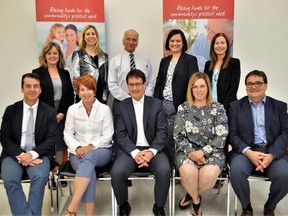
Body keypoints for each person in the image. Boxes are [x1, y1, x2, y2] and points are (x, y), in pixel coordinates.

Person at [111, 69, 171, 216]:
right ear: (127, 86)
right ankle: (123, 204)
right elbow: (120, 134)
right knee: (117, 172)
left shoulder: (157, 105)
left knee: (164, 170)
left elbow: (162, 132)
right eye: (131, 84)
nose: (134, 88)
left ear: (144, 85)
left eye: (138, 84)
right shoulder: (121, 106)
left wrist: (151, 152)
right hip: (130, 150)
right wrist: (136, 153)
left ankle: (159, 206)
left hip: (154, 150)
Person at [229, 70, 288, 216]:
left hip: (272, 152)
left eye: (258, 83)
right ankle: (246, 207)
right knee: (236, 171)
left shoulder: (279, 106)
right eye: (250, 84)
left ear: (266, 85)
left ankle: (270, 206)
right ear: (246, 86)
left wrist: (272, 155)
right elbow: (232, 134)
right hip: (246, 151)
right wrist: (248, 152)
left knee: (285, 174)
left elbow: (286, 133)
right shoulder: (235, 107)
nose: (253, 86)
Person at [0, 73, 58, 215]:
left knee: (39, 177)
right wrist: (21, 155)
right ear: (22, 89)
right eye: (28, 86)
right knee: (10, 179)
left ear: (40, 90)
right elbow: (5, 138)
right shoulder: (11, 110)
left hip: (39, 154)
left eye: (35, 86)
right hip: (13, 155)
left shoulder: (49, 112)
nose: (32, 90)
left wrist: (31, 154)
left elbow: (51, 139)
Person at [174, 72, 228, 216]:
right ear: (190, 89)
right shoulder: (183, 109)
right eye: (195, 87)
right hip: (187, 151)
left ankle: (190, 194)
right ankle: (196, 201)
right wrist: (193, 153)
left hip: (213, 151)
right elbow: (178, 136)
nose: (199, 90)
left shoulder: (218, 108)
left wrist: (203, 152)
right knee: (187, 172)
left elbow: (221, 135)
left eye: (202, 86)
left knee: (208, 176)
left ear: (208, 88)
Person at [63, 75, 114, 216]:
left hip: (101, 151)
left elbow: (108, 135)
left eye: (89, 89)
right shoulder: (72, 110)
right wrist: (78, 148)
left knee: (89, 157)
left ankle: (71, 209)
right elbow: (67, 134)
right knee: (89, 172)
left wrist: (90, 146)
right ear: (78, 92)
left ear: (95, 90)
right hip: (77, 153)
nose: (86, 93)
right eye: (82, 89)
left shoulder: (104, 109)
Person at [32, 41, 74, 189]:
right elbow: (35, 95)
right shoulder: (37, 72)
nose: (52, 56)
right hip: (44, 114)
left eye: (55, 53)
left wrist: (62, 112)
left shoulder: (65, 73)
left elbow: (70, 95)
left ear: (59, 55)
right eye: (49, 53)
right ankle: (51, 175)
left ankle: (62, 173)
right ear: (44, 55)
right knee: (49, 144)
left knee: (62, 144)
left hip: (63, 113)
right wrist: (51, 114)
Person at [154, 29, 198, 162]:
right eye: (172, 41)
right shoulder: (164, 61)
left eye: (178, 40)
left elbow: (193, 84)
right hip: (163, 104)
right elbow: (159, 83)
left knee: (173, 137)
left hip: (178, 105)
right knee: (163, 135)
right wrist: (156, 104)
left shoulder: (190, 60)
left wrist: (188, 106)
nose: (175, 43)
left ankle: (176, 166)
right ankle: (170, 165)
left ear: (183, 42)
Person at [108, 29, 156, 108]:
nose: (131, 42)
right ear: (123, 41)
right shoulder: (114, 61)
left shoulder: (145, 61)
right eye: (128, 39)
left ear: (137, 43)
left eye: (134, 40)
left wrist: (144, 97)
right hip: (121, 102)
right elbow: (112, 84)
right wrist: (128, 99)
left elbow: (151, 80)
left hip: (142, 103)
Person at [71, 24, 109, 104]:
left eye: (93, 34)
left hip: (101, 99)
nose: (91, 36)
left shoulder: (104, 56)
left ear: (97, 36)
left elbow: (106, 80)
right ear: (84, 37)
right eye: (88, 34)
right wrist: (81, 96)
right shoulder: (78, 54)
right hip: (84, 98)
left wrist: (105, 98)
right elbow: (75, 79)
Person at [204, 32, 240, 113]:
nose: (219, 46)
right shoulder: (208, 64)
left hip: (227, 108)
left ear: (227, 46)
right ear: (213, 46)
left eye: (222, 43)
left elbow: (233, 88)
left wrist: (222, 107)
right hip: (209, 107)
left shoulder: (234, 63)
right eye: (217, 43)